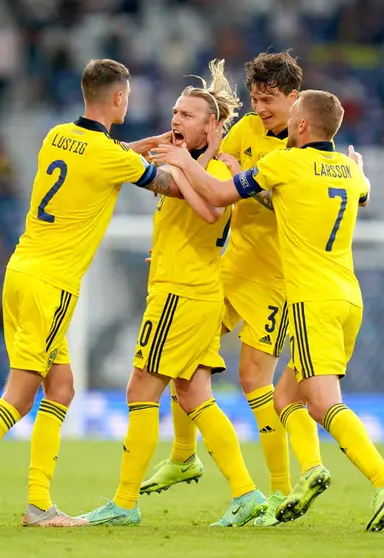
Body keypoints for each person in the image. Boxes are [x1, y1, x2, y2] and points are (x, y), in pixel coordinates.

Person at [0, 58, 193, 529]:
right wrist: (193, 163)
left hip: (21, 270)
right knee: (20, 396)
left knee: (60, 388)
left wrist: (144, 147)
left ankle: (39, 505)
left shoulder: (57, 136)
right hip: (52, 283)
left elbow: (102, 157)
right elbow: (171, 187)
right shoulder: (110, 156)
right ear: (120, 98)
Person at [152, 90, 384, 532]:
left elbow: (217, 193)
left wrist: (182, 161)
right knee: (285, 397)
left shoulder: (285, 163)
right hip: (349, 297)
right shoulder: (351, 171)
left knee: (323, 402)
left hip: (311, 298)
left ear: (303, 126)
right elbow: (364, 194)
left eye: (292, 114)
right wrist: (360, 173)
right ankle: (310, 470)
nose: (284, 122)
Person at [79, 60, 267, 528]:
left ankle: (124, 502)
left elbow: (209, 211)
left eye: (187, 114)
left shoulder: (221, 167)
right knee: (193, 393)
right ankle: (246, 494)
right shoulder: (185, 157)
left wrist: (183, 163)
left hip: (182, 294)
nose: (175, 119)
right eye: (175, 111)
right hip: (191, 286)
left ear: (212, 126)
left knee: (141, 388)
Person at [140, 50, 308, 527]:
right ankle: (181, 455)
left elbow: (235, 194)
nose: (261, 108)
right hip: (229, 266)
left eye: (269, 100)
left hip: (275, 277)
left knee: (254, 380)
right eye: (255, 98)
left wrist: (243, 180)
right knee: (185, 356)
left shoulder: (305, 145)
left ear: (294, 99)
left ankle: (277, 493)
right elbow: (212, 171)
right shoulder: (247, 130)